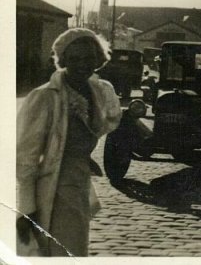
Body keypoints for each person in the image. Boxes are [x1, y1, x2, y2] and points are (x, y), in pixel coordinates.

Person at [16, 28, 122, 257]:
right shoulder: (45, 97)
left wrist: (81, 153)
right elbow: (25, 157)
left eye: (89, 58)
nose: (83, 64)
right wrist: (26, 211)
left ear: (99, 59)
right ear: (63, 60)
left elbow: (106, 122)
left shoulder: (99, 91)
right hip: (53, 187)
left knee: (74, 248)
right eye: (75, 59)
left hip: (80, 182)